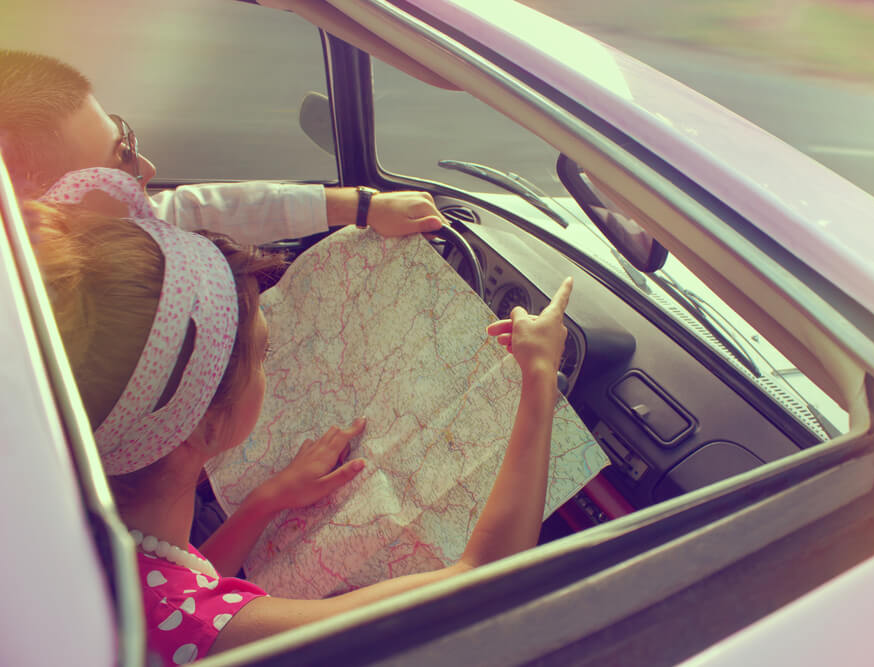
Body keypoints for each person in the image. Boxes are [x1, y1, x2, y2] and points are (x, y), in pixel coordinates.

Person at [28, 166, 573, 664]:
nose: (269, 362)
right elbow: (480, 578)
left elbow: (174, 586)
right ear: (206, 424)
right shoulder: (210, 634)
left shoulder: (77, 514)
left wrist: (269, 499)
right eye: (261, 353)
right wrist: (539, 373)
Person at [0, 49, 444, 244]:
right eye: (120, 161)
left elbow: (202, 211)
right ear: (38, 215)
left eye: (126, 140)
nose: (148, 168)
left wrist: (363, 207)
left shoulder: (102, 234)